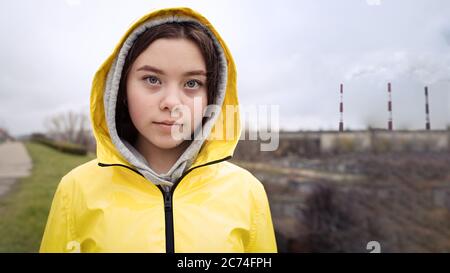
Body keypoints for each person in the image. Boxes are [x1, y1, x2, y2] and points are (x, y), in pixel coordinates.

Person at [40, 7, 277, 253]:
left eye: (192, 83)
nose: (172, 102)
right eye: (152, 79)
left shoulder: (248, 192)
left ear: (213, 96)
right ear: (121, 90)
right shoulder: (76, 190)